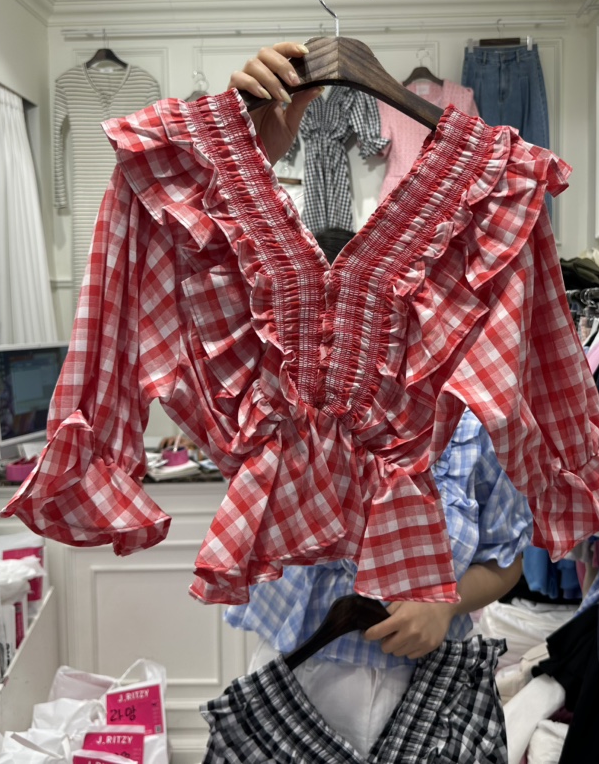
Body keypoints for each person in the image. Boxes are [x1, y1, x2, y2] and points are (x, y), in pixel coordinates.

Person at [222, 43, 532, 757]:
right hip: (292, 681)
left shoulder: (464, 414)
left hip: (434, 691)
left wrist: (444, 600)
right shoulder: (270, 401)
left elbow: (507, 554)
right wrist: (250, 142)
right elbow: (193, 255)